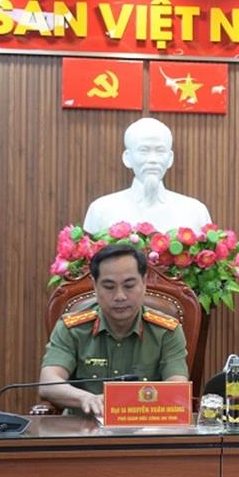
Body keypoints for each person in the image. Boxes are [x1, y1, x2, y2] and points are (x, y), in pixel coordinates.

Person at [38, 243, 188, 416]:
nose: (119, 296)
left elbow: (177, 388)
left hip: (144, 426)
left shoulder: (167, 330)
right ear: (95, 286)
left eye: (129, 286)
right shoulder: (72, 328)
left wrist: (131, 406)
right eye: (109, 287)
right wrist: (85, 399)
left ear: (144, 282)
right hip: (83, 427)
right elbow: (48, 383)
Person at [82, 117, 213, 235]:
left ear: (170, 158)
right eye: (143, 150)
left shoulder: (195, 212)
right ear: (127, 158)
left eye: (160, 151)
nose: (152, 159)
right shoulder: (101, 210)